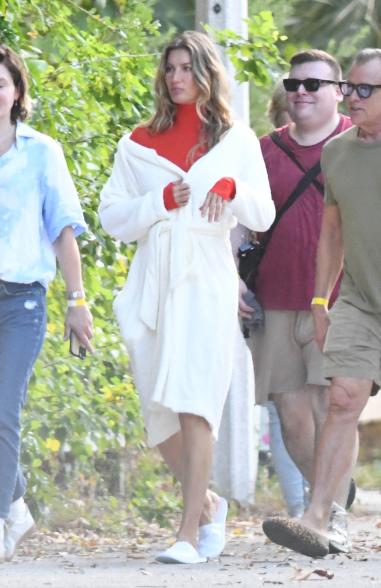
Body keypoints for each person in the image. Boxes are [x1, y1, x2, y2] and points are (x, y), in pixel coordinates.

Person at [99, 30, 275, 564]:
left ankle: (188, 534)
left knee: (197, 402)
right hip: (153, 279)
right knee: (159, 414)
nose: (176, 77)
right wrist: (157, 200)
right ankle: (211, 506)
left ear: (207, 74)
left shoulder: (237, 141)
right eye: (170, 68)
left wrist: (232, 190)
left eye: (186, 68)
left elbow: (263, 214)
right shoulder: (137, 143)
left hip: (205, 277)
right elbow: (112, 218)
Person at [262, 47, 381, 558]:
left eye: (363, 90)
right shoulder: (339, 152)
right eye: (350, 87)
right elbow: (331, 231)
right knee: (341, 398)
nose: (352, 97)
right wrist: (318, 298)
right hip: (357, 298)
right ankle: (320, 519)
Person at [238, 50, 353, 532]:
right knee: (291, 414)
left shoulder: (359, 141)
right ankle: (335, 500)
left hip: (344, 300)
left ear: (338, 91)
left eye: (313, 83)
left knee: (335, 405)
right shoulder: (262, 151)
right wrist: (232, 279)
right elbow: (238, 222)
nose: (300, 91)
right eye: (293, 83)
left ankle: (326, 515)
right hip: (277, 298)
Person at [0, 45, 93, 562]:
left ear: (16, 92)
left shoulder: (41, 152)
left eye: (0, 83)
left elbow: (62, 231)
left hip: (21, 302)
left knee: (2, 409)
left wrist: (76, 300)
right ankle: (15, 504)